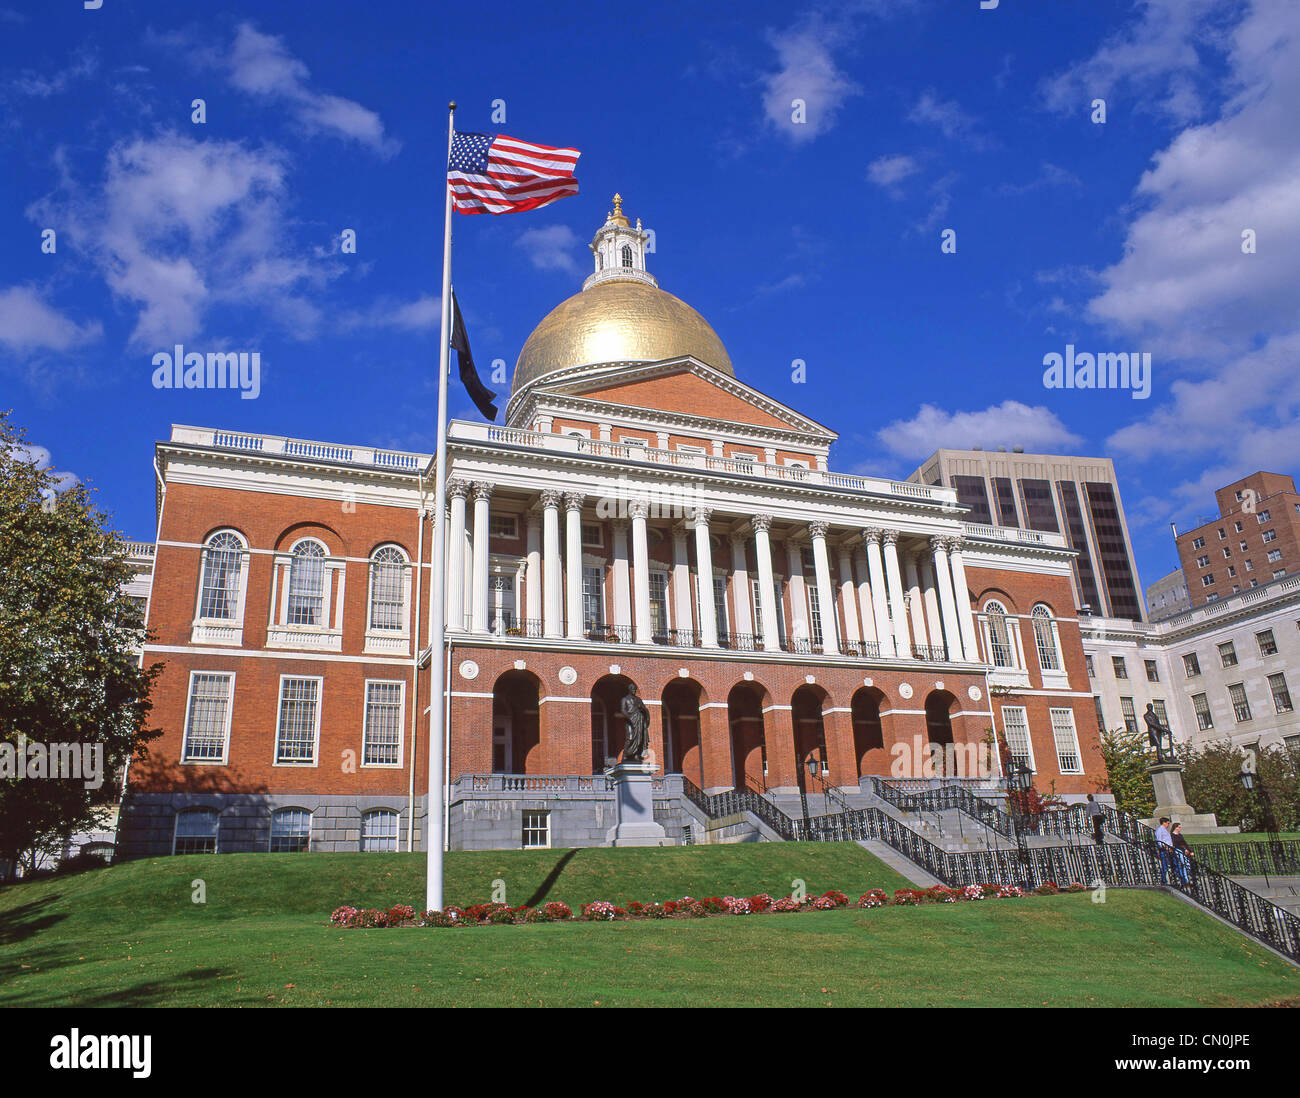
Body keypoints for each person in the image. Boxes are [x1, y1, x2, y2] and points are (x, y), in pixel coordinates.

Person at [1154, 817, 1173, 885]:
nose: (1168, 825)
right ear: (1164, 823)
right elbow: (1159, 841)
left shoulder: (1164, 830)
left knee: (1168, 865)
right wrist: (1165, 847)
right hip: (1164, 850)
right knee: (1164, 865)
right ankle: (1163, 880)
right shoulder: (1160, 830)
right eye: (1168, 823)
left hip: (1168, 849)